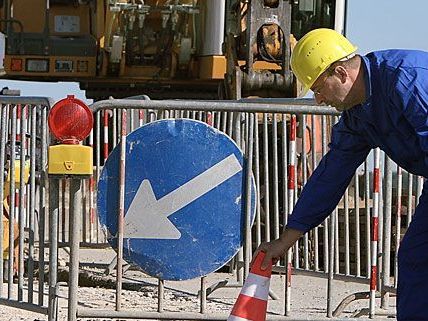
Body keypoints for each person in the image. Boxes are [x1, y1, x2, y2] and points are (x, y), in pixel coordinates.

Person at [254, 28, 428, 321]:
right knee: (416, 257)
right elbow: (329, 178)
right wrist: (286, 240)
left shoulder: (407, 79)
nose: (319, 101)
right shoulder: (358, 117)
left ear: (341, 73)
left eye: (319, 89)